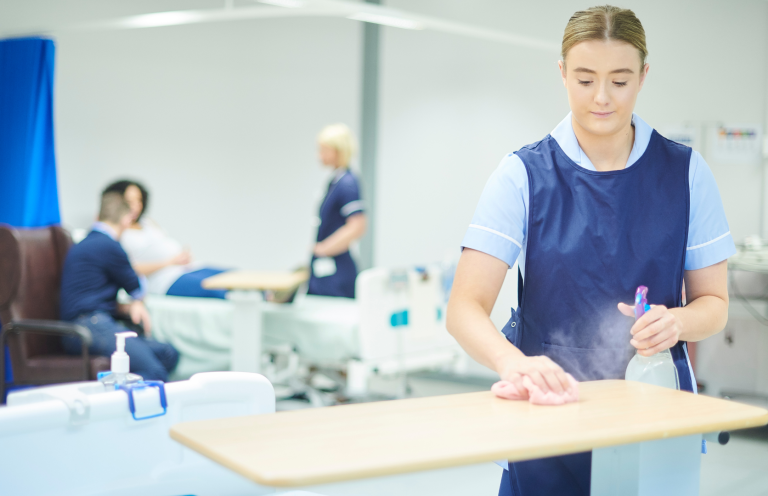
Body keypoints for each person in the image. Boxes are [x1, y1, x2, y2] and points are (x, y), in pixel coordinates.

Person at [445, 6, 733, 496]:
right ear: (562, 74)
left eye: (620, 81)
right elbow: (464, 309)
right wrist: (513, 363)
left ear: (643, 76)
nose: (602, 98)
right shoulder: (523, 175)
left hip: (652, 411)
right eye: (584, 79)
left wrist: (678, 322)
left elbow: (715, 306)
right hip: (548, 415)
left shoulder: (685, 173)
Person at [60, 192, 179, 381]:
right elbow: (138, 289)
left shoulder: (86, 243)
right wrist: (136, 301)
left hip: (86, 325)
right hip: (90, 326)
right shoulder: (110, 246)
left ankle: (125, 393)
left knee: (168, 353)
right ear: (126, 219)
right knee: (155, 372)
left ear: (98, 216)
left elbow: (93, 293)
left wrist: (126, 305)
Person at [103, 180, 228, 299]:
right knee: (219, 289)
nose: (136, 206)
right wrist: (169, 262)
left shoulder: (147, 222)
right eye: (130, 201)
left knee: (234, 276)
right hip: (164, 280)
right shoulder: (116, 232)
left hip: (187, 268)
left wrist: (181, 255)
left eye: (139, 200)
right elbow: (126, 268)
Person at [307, 124, 367, 299]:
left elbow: (357, 226)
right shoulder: (335, 180)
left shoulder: (347, 183)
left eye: (324, 150)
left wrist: (324, 249)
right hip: (325, 268)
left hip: (336, 272)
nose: (319, 156)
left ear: (339, 151)